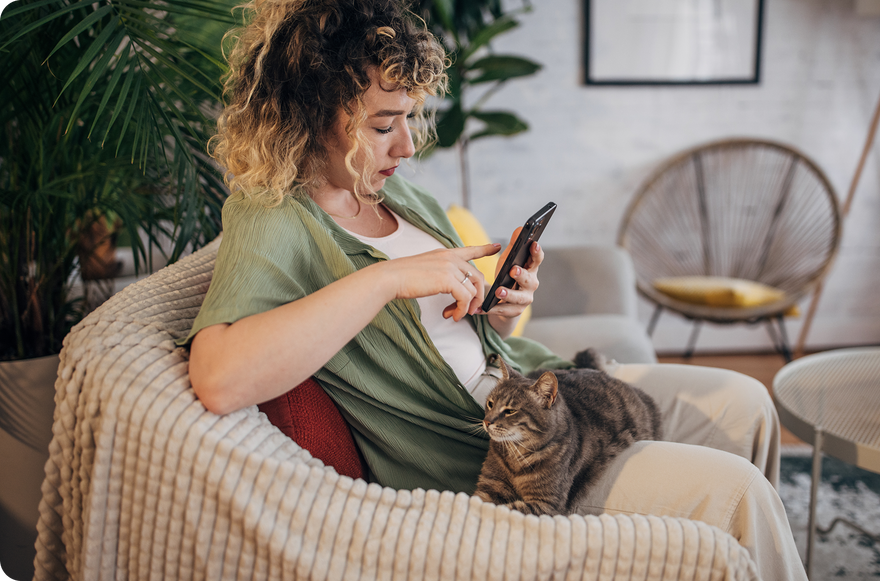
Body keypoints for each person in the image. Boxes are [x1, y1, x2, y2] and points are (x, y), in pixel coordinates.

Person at [183, 1, 808, 579]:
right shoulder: (273, 216)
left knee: (747, 403)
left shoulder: (398, 193)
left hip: (548, 395)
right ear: (312, 115)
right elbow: (219, 377)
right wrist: (386, 279)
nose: (405, 145)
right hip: (493, 460)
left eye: (409, 118)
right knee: (739, 493)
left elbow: (470, 339)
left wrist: (501, 309)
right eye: (382, 125)